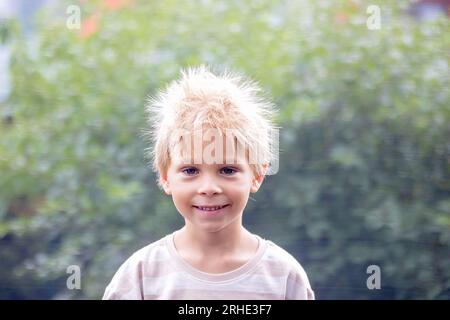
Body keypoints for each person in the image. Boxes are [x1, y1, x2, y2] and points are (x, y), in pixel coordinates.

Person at [103, 66, 314, 300]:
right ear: (165, 177)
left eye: (227, 170)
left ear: (257, 175)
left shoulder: (284, 276)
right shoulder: (140, 276)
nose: (209, 188)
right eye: (191, 170)